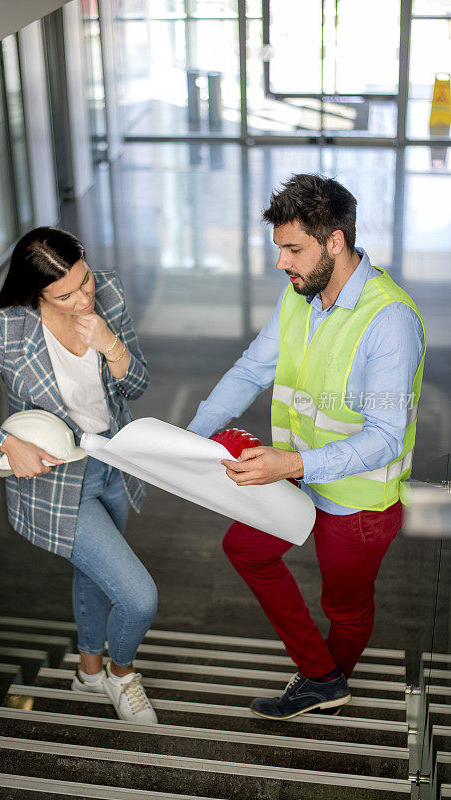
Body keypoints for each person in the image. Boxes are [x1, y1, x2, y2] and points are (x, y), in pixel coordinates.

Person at [188, 174, 425, 720]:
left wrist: (288, 463)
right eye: (280, 249)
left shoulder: (390, 321)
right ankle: (322, 676)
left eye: (293, 249)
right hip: (298, 475)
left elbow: (386, 438)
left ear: (335, 242)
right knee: (245, 549)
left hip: (358, 501)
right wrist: (191, 436)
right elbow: (252, 368)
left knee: (344, 607)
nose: (281, 263)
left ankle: (325, 681)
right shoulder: (301, 293)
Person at [0, 227, 158, 725]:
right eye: (65, 294)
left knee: (95, 573)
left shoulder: (109, 294)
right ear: (38, 294)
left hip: (115, 466)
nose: (82, 299)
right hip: (55, 482)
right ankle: (122, 676)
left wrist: (109, 342)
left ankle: (90, 672)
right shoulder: (9, 330)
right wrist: (4, 443)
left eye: (85, 281)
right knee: (140, 597)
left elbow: (136, 385)